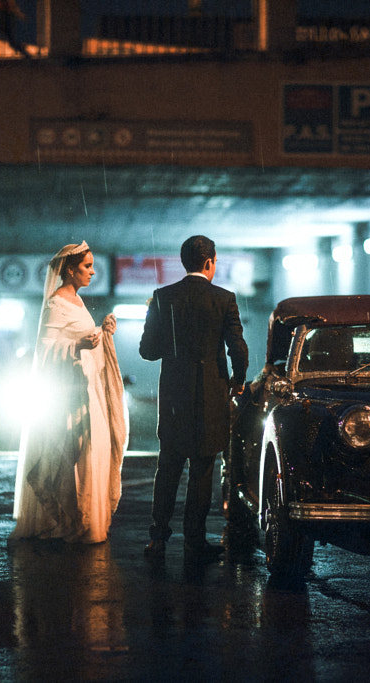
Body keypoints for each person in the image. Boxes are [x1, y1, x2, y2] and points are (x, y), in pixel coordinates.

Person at [9, 242, 127, 544]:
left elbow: (85, 342)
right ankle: (71, 523)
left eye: (91, 265)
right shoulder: (55, 304)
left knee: (92, 456)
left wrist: (104, 332)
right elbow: (45, 352)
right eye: (87, 266)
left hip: (89, 396)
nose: (92, 271)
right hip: (70, 401)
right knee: (71, 462)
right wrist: (77, 346)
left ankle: (88, 523)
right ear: (70, 270)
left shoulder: (76, 300)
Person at [140, 235, 248, 563]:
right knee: (202, 470)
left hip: (174, 396)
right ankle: (194, 542)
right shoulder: (224, 299)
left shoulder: (162, 297)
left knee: (168, 466)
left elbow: (147, 351)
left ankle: (157, 539)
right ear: (209, 262)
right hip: (211, 399)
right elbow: (238, 348)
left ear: (184, 262)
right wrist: (237, 381)